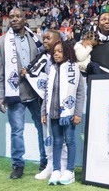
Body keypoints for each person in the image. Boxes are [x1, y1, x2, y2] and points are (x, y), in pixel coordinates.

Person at [0, 8, 46, 179]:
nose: (14, 19)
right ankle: (18, 165)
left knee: (42, 128)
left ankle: (46, 161)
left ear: (25, 19)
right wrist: (0, 96)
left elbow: (45, 65)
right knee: (17, 131)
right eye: (11, 17)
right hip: (14, 93)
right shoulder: (1, 42)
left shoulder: (36, 39)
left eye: (18, 17)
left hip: (36, 92)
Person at [24, 29, 68, 180]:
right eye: (43, 38)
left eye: (48, 38)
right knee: (48, 135)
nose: (45, 40)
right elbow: (32, 72)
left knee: (63, 136)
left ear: (58, 38)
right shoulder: (41, 57)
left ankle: (64, 166)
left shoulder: (68, 58)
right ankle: (50, 165)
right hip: (46, 104)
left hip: (64, 104)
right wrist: (27, 72)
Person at [41, 41, 85, 185]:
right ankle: (56, 170)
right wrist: (43, 113)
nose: (57, 54)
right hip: (53, 113)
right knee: (57, 142)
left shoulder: (75, 69)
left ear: (67, 52)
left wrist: (77, 113)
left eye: (60, 51)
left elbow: (80, 93)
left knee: (70, 141)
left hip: (69, 114)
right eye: (54, 52)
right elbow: (46, 94)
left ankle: (70, 171)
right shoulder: (51, 70)